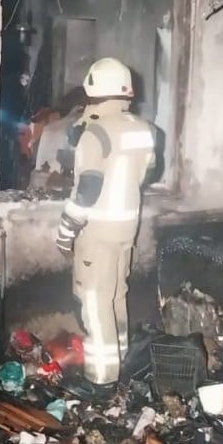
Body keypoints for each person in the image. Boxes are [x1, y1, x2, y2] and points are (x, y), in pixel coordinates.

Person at [55, 57, 156, 386]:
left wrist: (66, 231)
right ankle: (120, 358)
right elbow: (148, 172)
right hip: (127, 227)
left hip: (97, 231)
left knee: (95, 301)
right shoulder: (143, 129)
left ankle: (101, 378)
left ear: (92, 90)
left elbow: (88, 188)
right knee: (116, 295)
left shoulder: (95, 133)